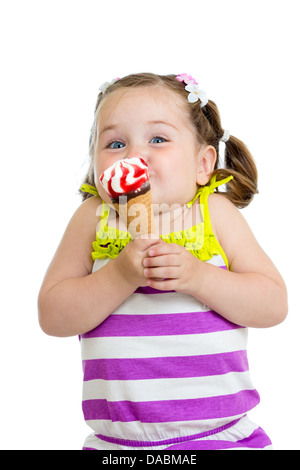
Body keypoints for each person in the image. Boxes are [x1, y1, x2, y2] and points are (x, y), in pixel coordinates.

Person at [38, 73, 288, 450]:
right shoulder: (94, 218)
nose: (134, 154)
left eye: (158, 139)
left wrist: (199, 276)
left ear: (203, 164)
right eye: (115, 142)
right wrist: (118, 275)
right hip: (117, 443)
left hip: (219, 435)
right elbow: (53, 316)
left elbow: (273, 305)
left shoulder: (214, 214)